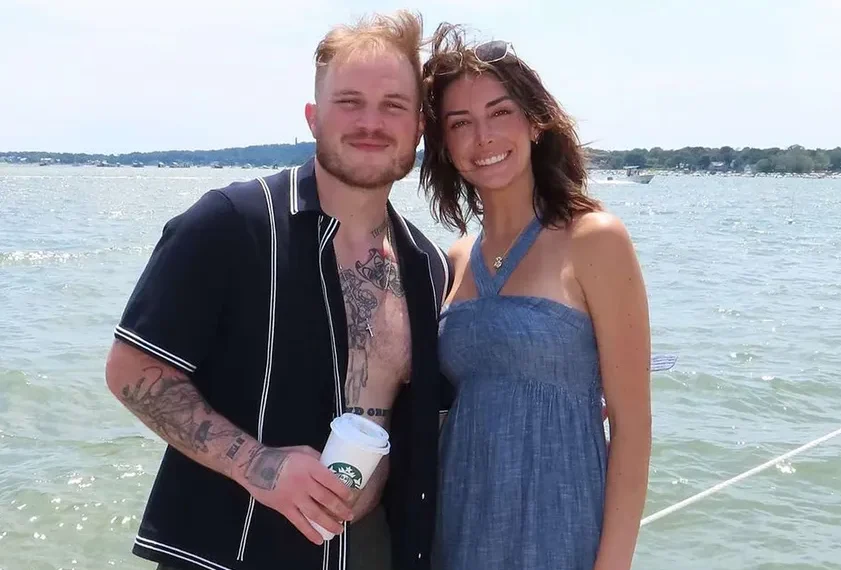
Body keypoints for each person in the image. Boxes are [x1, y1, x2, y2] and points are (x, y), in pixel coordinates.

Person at [105, 10, 452, 570]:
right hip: (234, 549)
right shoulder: (231, 223)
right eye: (349, 102)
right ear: (314, 118)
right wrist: (259, 466)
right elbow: (132, 371)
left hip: (372, 552)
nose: (371, 121)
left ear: (418, 128)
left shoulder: (427, 265)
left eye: (393, 105)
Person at [419, 23, 652, 570]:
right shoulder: (454, 261)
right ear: (446, 148)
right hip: (461, 529)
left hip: (562, 530)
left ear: (535, 122)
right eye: (461, 123)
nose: (484, 137)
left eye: (500, 113)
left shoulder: (595, 239)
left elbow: (633, 426)